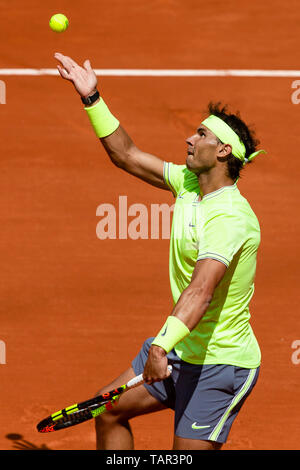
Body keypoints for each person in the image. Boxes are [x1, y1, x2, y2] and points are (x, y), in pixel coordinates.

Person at [54, 52, 265, 451]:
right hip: (180, 347)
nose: (190, 137)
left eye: (202, 135)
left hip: (221, 364)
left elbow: (200, 292)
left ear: (223, 153)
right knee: (109, 411)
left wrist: (160, 346)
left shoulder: (231, 218)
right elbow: (127, 155)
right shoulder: (189, 182)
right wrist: (91, 97)